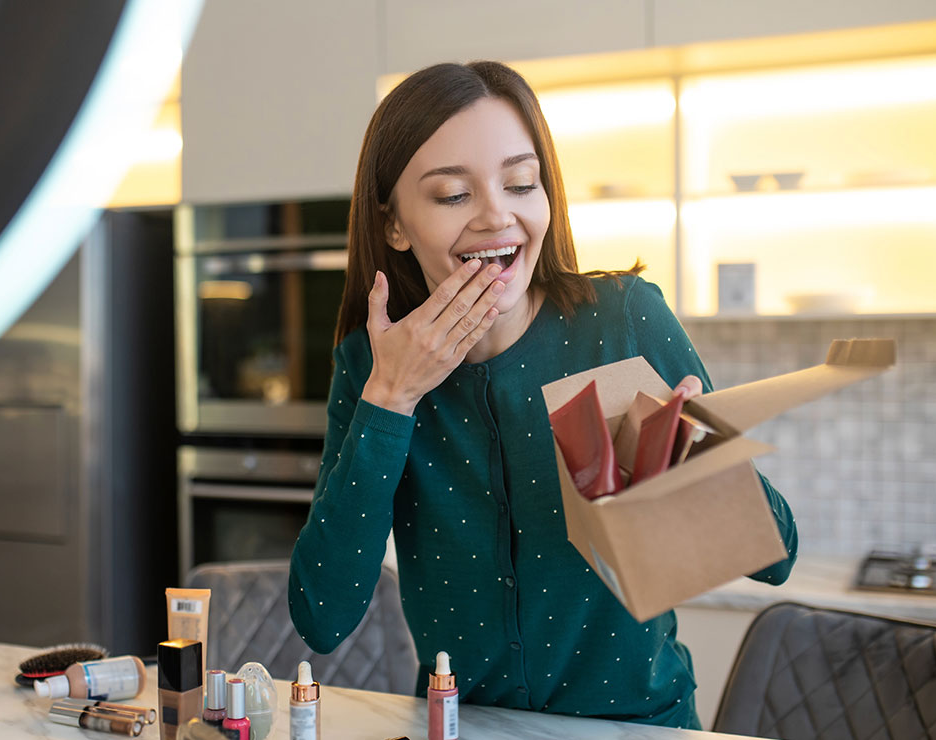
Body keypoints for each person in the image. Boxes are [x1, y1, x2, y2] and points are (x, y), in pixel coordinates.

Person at [288, 60, 797, 728]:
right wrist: (391, 396)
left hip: (635, 726)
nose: (498, 216)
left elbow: (777, 555)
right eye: (451, 195)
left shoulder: (621, 321)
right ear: (394, 226)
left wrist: (684, 464)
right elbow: (321, 617)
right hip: (464, 724)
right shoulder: (374, 363)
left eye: (521, 183)